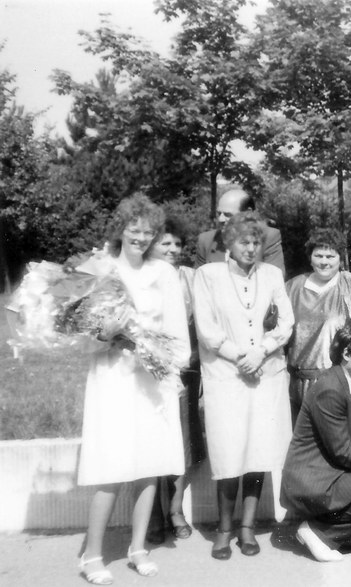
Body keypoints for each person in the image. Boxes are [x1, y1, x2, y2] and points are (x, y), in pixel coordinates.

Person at [77, 194, 190, 585]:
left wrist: (170, 367)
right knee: (112, 464)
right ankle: (92, 555)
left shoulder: (164, 273)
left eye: (148, 231)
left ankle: (138, 548)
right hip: (113, 377)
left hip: (152, 378)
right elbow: (82, 331)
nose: (141, 237)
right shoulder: (100, 268)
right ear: (120, 230)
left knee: (150, 465)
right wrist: (108, 335)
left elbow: (176, 330)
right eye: (134, 229)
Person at [193, 211, 294, 560]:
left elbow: (285, 321)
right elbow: (206, 328)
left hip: (266, 374)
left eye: (255, 243)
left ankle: (247, 528)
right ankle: (224, 528)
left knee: (258, 450)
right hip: (227, 377)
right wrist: (241, 356)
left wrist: (261, 351)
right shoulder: (207, 275)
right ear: (228, 244)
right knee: (229, 450)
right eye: (243, 242)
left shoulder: (272, 274)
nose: (250, 248)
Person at [281, 324, 351, 562]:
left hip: (330, 472)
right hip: (312, 478)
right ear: (347, 354)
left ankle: (350, 536)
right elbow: (341, 452)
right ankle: (316, 531)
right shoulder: (330, 388)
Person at [146, 217, 206, 544]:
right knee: (151, 442)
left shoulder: (192, 278)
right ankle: (153, 514)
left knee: (182, 444)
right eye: (164, 242)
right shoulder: (141, 278)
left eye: (177, 244)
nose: (172, 249)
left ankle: (175, 509)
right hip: (147, 373)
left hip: (186, 372)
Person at [286, 228, 351, 424]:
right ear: (310, 258)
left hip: (339, 383)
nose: (324, 261)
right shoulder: (292, 287)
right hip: (297, 385)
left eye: (330, 255)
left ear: (340, 257)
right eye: (318, 255)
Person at [196, 188, 285, 277]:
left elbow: (275, 279)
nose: (221, 219)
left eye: (228, 215)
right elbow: (197, 282)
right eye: (219, 213)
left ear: (248, 213)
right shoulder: (206, 241)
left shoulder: (268, 237)